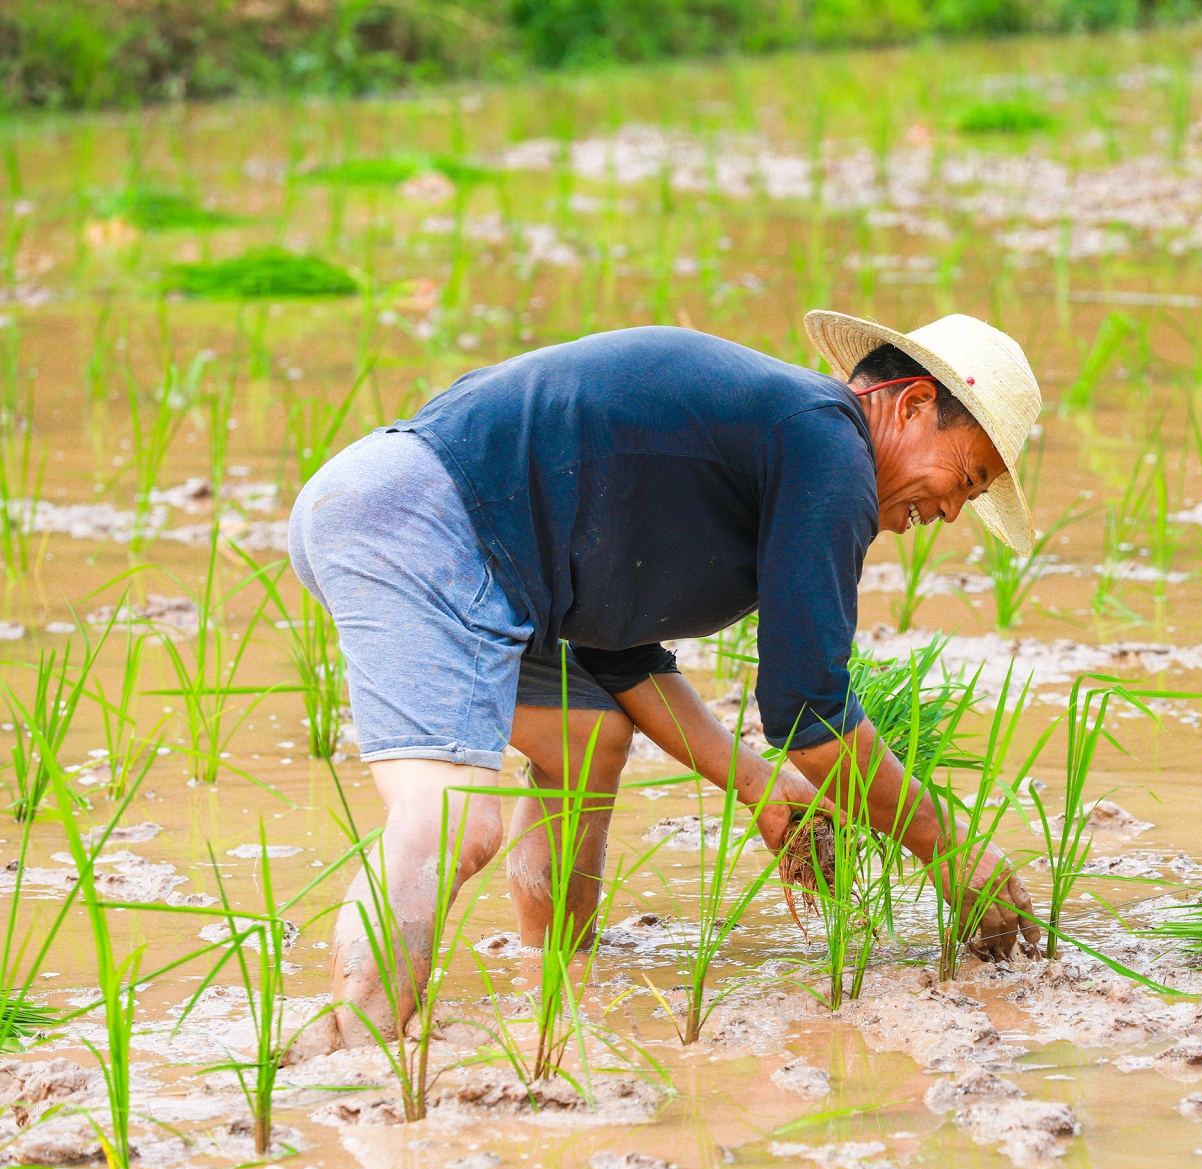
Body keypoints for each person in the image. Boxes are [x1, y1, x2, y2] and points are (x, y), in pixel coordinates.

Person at [289, 311, 1046, 1044]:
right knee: (454, 814)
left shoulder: (775, 453)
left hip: (459, 540)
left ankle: (553, 973)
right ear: (913, 406)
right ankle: (359, 1034)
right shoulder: (827, 444)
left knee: (588, 737)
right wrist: (947, 847)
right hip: (421, 519)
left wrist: (759, 787)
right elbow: (809, 712)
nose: (950, 512)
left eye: (972, 500)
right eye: (967, 476)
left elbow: (619, 657)